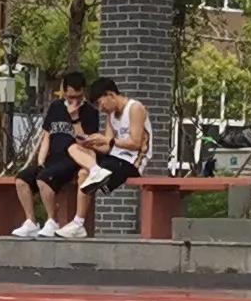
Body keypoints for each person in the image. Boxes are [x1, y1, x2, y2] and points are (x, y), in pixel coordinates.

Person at [56, 75, 150, 240]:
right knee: (75, 152)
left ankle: (78, 222)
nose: (101, 108)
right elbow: (107, 147)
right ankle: (78, 224)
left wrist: (108, 141)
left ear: (110, 95)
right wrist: (91, 142)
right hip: (114, 157)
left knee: (86, 176)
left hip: (133, 161)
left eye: (101, 103)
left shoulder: (135, 108)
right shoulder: (111, 116)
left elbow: (136, 143)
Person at [12, 71, 86, 238]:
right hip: (53, 159)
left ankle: (52, 221)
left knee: (43, 179)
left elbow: (85, 141)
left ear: (83, 92)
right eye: (70, 97)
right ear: (64, 92)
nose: (74, 101)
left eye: (78, 97)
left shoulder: (89, 111)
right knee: (22, 179)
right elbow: (47, 136)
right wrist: (41, 160)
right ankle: (31, 221)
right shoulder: (56, 107)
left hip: (73, 160)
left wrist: (75, 118)